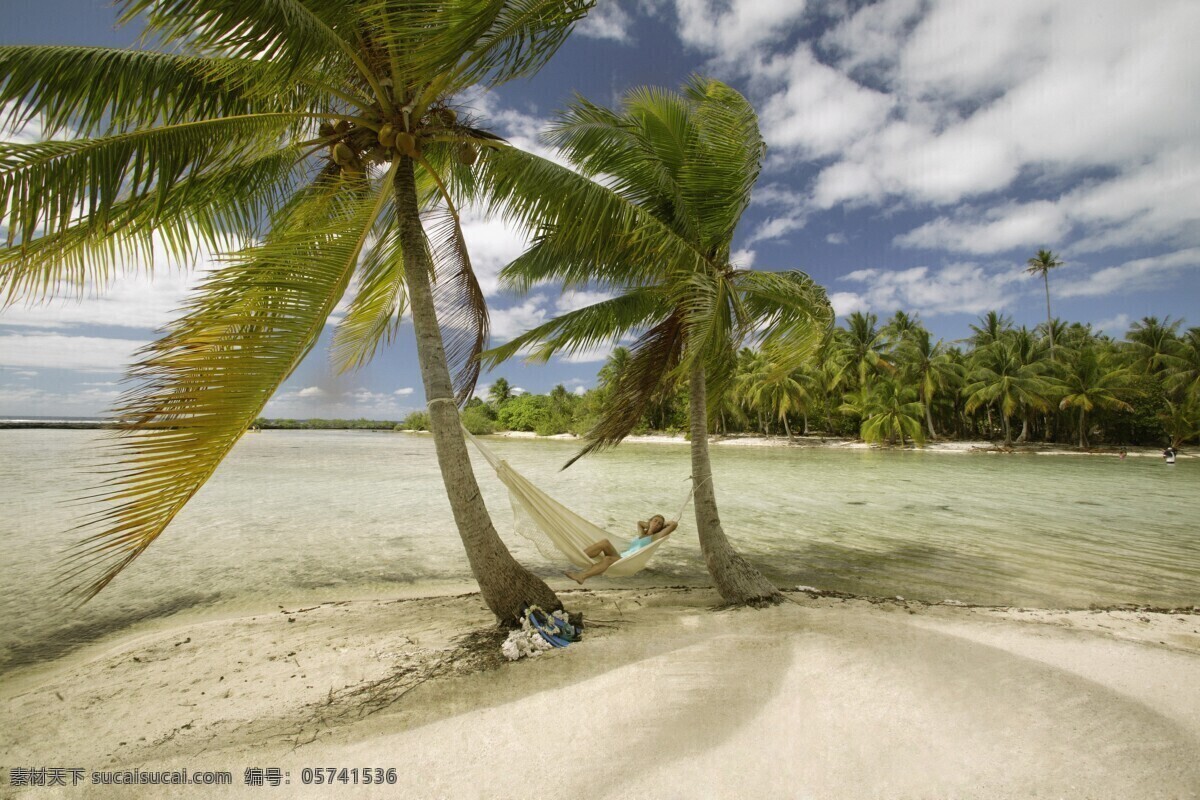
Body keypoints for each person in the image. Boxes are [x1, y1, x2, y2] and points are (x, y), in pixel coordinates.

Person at [564, 514, 677, 584]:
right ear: (650, 521)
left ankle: (582, 576)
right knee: (605, 542)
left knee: (607, 559)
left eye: (659, 524)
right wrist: (649, 524)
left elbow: (674, 525)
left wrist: (664, 524)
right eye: (655, 520)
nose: (656, 524)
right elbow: (639, 523)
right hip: (621, 556)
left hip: (628, 561)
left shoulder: (655, 537)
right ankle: (578, 556)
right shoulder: (642, 534)